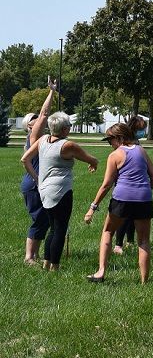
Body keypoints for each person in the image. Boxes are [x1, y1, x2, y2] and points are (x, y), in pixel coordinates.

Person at [20, 111, 99, 271]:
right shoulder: (67, 145)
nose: (70, 128)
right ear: (63, 130)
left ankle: (46, 263)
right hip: (61, 191)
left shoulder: (43, 140)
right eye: (69, 126)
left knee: (53, 228)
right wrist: (93, 163)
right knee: (60, 229)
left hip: (44, 190)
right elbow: (91, 159)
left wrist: (36, 178)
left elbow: (25, 159)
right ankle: (55, 267)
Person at [83, 123, 153, 283]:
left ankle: (101, 271)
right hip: (144, 199)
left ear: (120, 138)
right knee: (143, 240)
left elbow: (106, 185)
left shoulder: (115, 155)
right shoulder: (142, 151)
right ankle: (145, 281)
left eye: (110, 140)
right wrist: (143, 191)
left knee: (108, 231)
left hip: (121, 199)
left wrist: (93, 207)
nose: (109, 144)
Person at [19, 77, 57, 265]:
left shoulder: (41, 138)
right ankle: (29, 257)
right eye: (33, 119)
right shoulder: (33, 136)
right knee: (39, 219)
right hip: (33, 185)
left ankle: (35, 255)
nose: (38, 119)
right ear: (29, 126)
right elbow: (44, 113)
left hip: (38, 184)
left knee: (44, 220)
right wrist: (51, 91)